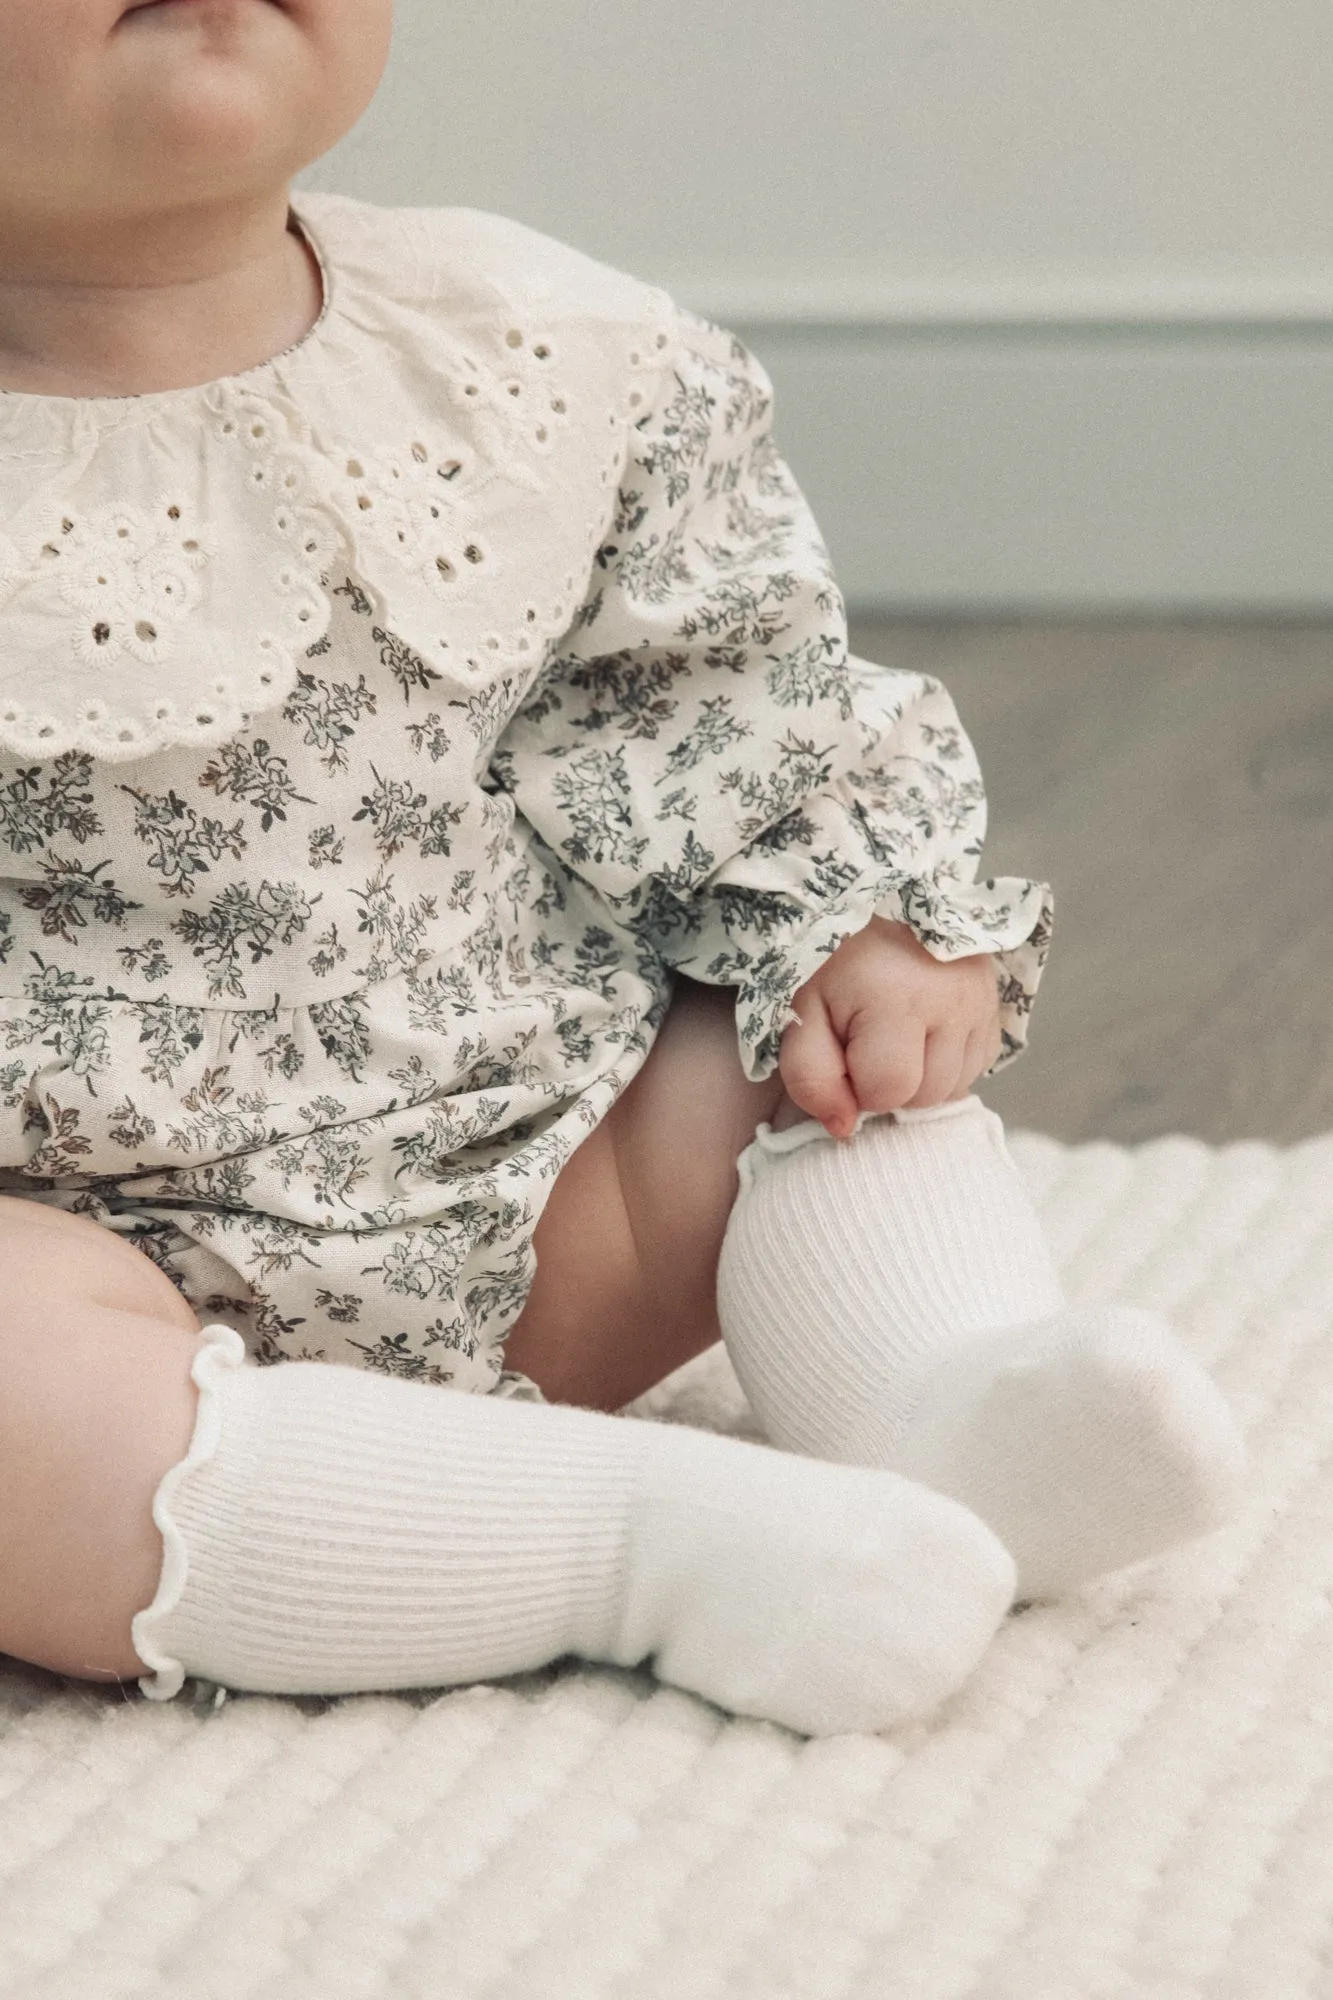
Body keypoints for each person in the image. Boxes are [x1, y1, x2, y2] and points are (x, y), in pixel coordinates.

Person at [0, 0, 1244, 1738]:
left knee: (809, 1062)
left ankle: (942, 1417)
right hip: (82, 1260)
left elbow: (719, 697)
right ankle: (648, 1548)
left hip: (554, 1189)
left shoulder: (530, 354)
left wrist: (861, 916)